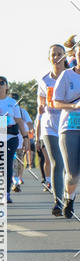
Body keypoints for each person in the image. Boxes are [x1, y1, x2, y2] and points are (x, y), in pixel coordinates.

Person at [38, 44, 66, 215]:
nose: (56, 57)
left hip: (69, 123)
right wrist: (41, 107)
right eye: (53, 55)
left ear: (65, 57)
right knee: (57, 162)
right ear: (49, 58)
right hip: (50, 124)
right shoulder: (43, 80)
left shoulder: (72, 76)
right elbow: (41, 102)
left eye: (59, 54)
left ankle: (69, 196)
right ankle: (58, 201)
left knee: (70, 166)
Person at [53, 37, 80, 218]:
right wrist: (74, 107)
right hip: (69, 126)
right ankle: (69, 197)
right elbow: (55, 102)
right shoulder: (67, 75)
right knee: (72, 172)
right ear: (75, 56)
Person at [0, 76, 29, 204]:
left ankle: (6, 193)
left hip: (11, 137)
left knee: (7, 164)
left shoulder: (12, 103)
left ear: (6, 86)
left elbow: (19, 121)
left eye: (2, 83)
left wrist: (26, 137)